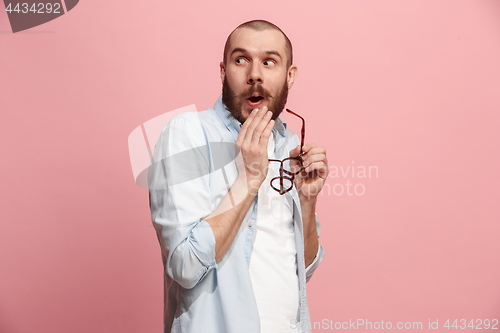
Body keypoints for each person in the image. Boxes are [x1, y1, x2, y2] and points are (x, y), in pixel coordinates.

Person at [148, 20, 328, 333]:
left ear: (290, 76)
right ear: (223, 71)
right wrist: (249, 180)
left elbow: (304, 269)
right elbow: (185, 265)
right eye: (241, 60)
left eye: (269, 62)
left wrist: (307, 201)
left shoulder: (288, 147)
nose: (254, 74)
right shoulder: (187, 134)